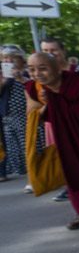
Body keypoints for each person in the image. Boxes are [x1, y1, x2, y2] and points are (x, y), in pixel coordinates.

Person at [25, 52, 79, 229]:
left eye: (43, 68)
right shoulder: (36, 89)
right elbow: (33, 114)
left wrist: (61, 109)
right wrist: (49, 106)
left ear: (57, 68)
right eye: (32, 69)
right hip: (63, 135)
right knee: (72, 171)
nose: (37, 74)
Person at [0, 45, 28, 183]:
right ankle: (24, 171)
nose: (8, 61)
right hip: (7, 115)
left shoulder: (27, 72)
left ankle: (34, 176)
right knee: (13, 147)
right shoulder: (2, 75)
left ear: (20, 59)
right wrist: (4, 81)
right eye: (5, 58)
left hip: (24, 115)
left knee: (27, 146)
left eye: (12, 58)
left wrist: (21, 77)